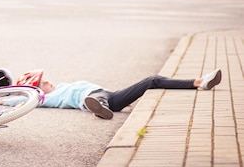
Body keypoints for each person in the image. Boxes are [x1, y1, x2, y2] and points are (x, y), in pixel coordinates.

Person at [13, 68, 222, 120]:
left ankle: (200, 82)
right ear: (37, 90)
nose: (48, 81)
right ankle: (98, 107)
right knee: (94, 98)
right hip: (95, 98)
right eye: (43, 82)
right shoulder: (42, 98)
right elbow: (20, 99)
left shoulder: (59, 87)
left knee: (152, 80)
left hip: (111, 95)